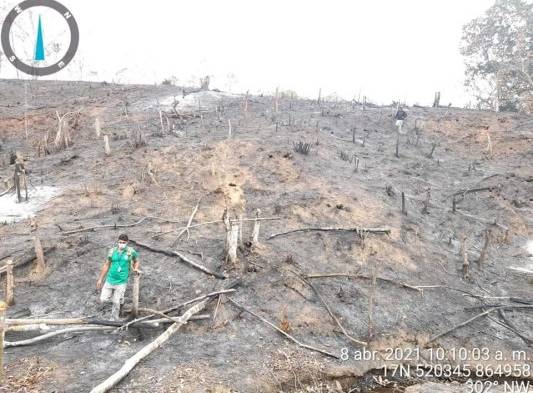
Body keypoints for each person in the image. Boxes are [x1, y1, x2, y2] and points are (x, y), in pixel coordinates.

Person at [96, 234, 140, 320]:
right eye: (120, 242)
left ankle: (113, 320)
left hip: (121, 281)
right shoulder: (112, 251)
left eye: (123, 242)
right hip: (110, 279)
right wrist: (100, 279)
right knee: (103, 299)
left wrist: (135, 269)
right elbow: (107, 264)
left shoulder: (131, 252)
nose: (121, 244)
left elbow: (137, 260)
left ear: (127, 242)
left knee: (116, 302)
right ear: (117, 242)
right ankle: (121, 301)